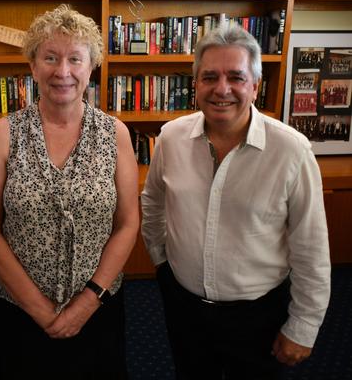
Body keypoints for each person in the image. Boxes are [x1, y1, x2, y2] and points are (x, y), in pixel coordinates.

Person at [141, 24, 331, 380]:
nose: (222, 89)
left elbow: (311, 247)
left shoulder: (291, 151)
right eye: (209, 77)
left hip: (259, 315)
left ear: (255, 86)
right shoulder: (171, 137)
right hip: (184, 305)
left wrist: (304, 326)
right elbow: (152, 202)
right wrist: (161, 260)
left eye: (236, 77)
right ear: (195, 84)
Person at [0, 5, 140, 378]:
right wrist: (39, 309)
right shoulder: (5, 133)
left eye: (75, 59)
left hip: (98, 308)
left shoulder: (116, 135)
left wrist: (86, 303)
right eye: (50, 57)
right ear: (33, 66)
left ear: (91, 67)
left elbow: (128, 224)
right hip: (19, 310)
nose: (62, 71)